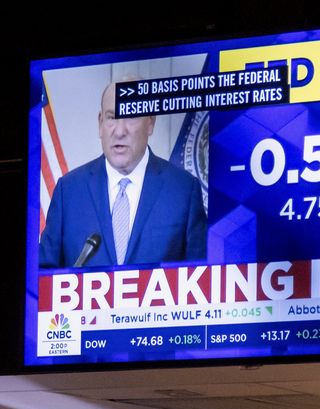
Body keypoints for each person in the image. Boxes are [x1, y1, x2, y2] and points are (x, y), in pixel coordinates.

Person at [38, 79, 207, 268]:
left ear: (150, 122)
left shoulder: (183, 190)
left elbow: (200, 277)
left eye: (131, 116)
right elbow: (43, 279)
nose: (119, 131)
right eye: (111, 117)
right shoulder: (68, 191)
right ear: (100, 123)